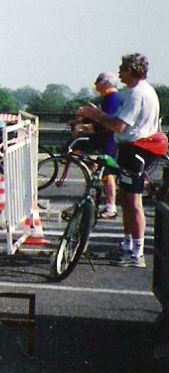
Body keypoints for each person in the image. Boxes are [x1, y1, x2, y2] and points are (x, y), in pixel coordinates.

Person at [78, 53, 165, 268]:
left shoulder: (136, 94)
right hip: (133, 148)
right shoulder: (143, 90)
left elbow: (118, 125)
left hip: (135, 149)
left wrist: (95, 115)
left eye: (122, 69)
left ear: (132, 70)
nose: (119, 72)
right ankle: (128, 246)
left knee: (133, 201)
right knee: (126, 198)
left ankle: (136, 252)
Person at [69, 72, 123, 219]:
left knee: (107, 173)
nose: (95, 84)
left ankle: (111, 207)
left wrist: (85, 127)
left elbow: (108, 123)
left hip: (110, 139)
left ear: (106, 83)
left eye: (98, 81)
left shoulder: (112, 99)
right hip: (105, 138)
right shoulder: (108, 98)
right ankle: (94, 168)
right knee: (76, 150)